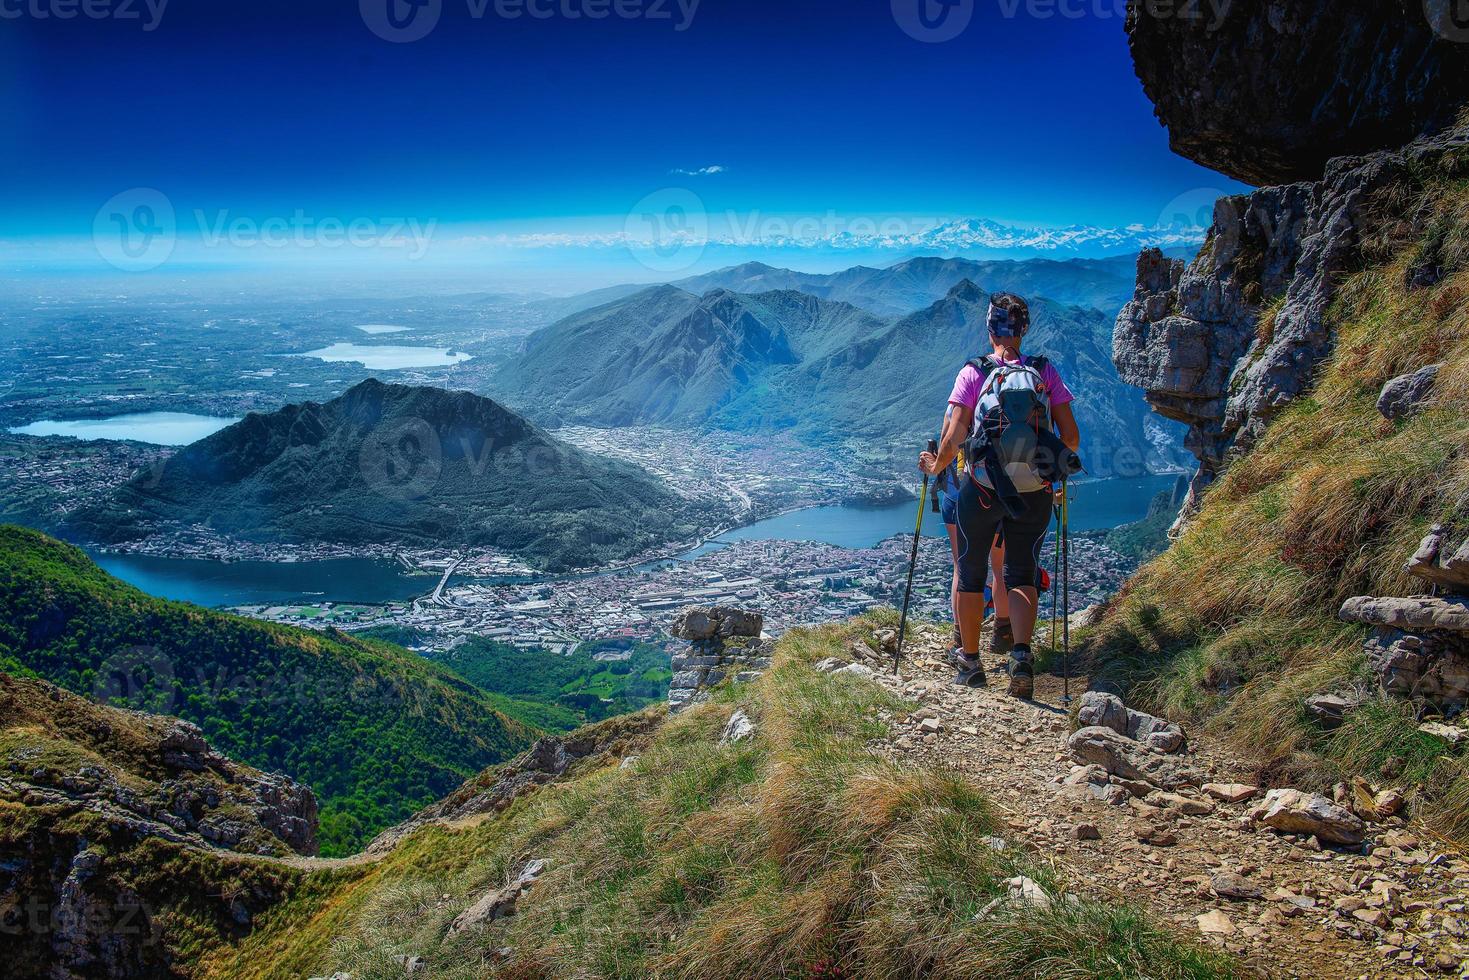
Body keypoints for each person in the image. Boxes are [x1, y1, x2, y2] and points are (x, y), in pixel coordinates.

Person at [920, 292, 1080, 697]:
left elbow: (955, 434)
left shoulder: (974, 372)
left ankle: (970, 663)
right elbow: (1072, 437)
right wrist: (1046, 468)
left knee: (972, 571)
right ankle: (1021, 656)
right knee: (1022, 571)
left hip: (984, 489)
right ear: (1024, 329)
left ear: (989, 328)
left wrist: (936, 466)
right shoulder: (1045, 372)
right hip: (1035, 492)